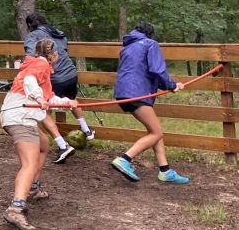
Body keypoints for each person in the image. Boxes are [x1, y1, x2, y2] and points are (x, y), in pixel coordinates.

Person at [0, 38, 78, 230]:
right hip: (21, 117)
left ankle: (32, 187)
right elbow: (29, 82)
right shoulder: (41, 64)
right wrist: (39, 98)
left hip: (18, 115)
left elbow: (50, 98)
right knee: (29, 163)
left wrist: (68, 102)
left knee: (43, 145)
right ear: (55, 55)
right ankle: (16, 208)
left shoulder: (39, 66)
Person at [110, 21, 190, 185]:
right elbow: (157, 70)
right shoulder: (150, 44)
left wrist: (172, 85)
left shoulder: (128, 48)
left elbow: (142, 71)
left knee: (155, 130)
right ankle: (125, 159)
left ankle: (165, 170)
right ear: (151, 34)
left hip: (124, 93)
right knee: (157, 133)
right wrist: (173, 85)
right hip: (137, 93)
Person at [23, 13, 94, 164]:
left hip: (53, 76)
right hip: (70, 73)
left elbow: (31, 57)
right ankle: (86, 130)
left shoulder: (33, 36)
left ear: (29, 25)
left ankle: (59, 144)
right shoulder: (57, 32)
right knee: (72, 100)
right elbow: (64, 51)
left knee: (43, 111)